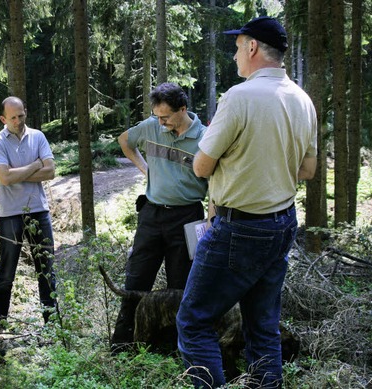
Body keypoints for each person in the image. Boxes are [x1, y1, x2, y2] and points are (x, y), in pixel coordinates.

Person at [175, 16, 317, 388]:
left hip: (239, 226)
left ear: (252, 47)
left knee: (193, 321)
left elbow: (202, 166)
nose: (235, 55)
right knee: (263, 326)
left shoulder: (238, 97)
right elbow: (308, 169)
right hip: (283, 222)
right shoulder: (303, 99)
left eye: (237, 46)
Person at [110, 83, 208, 353]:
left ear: (183, 109)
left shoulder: (205, 137)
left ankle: (173, 347)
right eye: (157, 116)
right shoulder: (151, 126)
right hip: (152, 214)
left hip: (188, 217)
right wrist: (145, 168)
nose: (160, 121)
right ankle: (122, 343)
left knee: (180, 286)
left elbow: (218, 182)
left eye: (165, 116)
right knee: (136, 280)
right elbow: (124, 141)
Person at [0, 96, 57, 328]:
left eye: (21, 115)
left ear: (25, 112)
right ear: (3, 118)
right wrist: (35, 165)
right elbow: (4, 178)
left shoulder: (38, 136)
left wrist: (17, 173)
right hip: (10, 213)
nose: (18, 121)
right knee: (7, 268)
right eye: (13, 117)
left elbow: (50, 172)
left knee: (46, 268)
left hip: (39, 210)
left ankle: (52, 322)